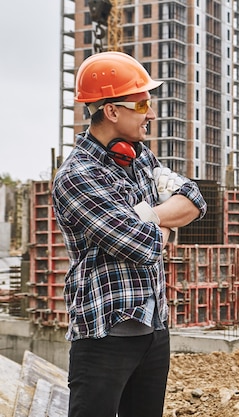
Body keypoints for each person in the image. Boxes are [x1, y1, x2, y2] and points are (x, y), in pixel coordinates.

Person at [52, 51, 207, 417]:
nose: (150, 114)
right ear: (111, 110)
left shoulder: (140, 158)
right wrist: (165, 223)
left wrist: (149, 214)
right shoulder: (77, 176)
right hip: (105, 336)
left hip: (154, 332)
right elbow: (143, 245)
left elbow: (195, 199)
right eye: (142, 103)